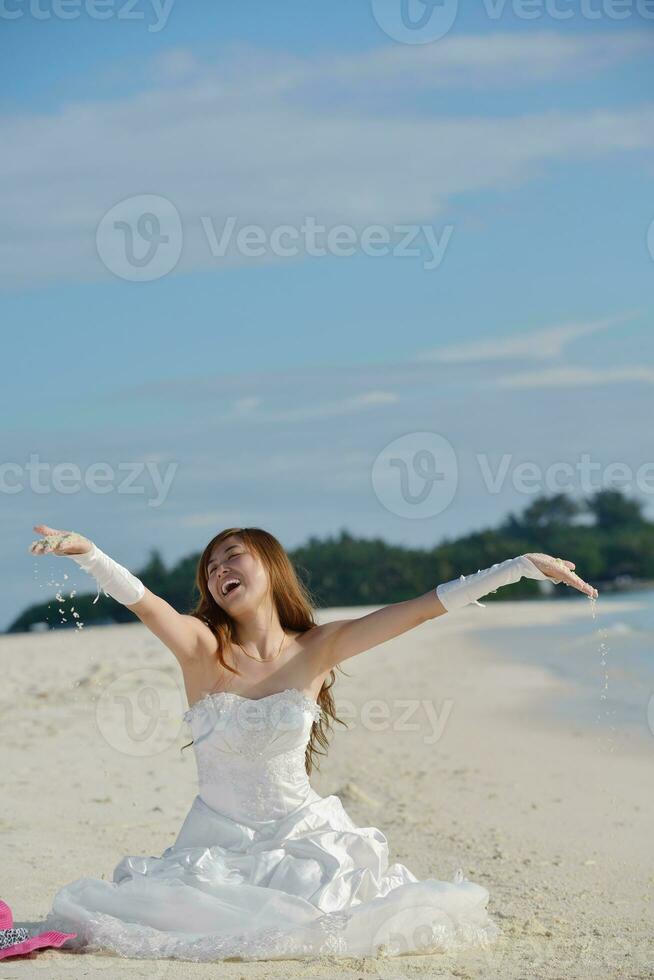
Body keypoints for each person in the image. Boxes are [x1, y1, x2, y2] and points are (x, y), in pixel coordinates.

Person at [29, 522, 597, 962]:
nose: (217, 569)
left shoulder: (319, 648)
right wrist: (89, 554)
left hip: (306, 838)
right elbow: (143, 600)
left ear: (271, 569)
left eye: (233, 556)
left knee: (323, 900)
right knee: (156, 912)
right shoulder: (202, 647)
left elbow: (421, 609)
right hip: (217, 844)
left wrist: (517, 567)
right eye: (209, 566)